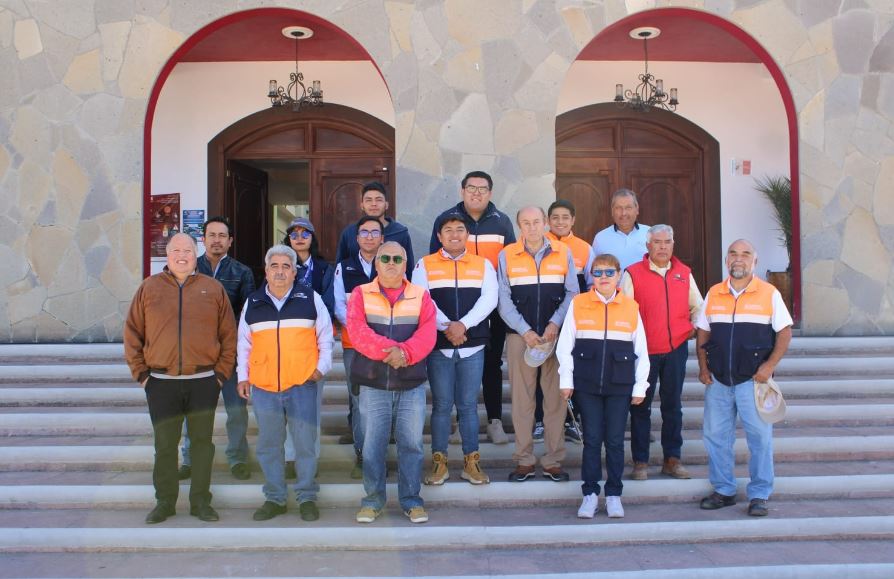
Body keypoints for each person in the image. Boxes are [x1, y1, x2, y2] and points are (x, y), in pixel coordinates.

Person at [124, 233, 236, 524]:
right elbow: (133, 334)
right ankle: (165, 502)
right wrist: (142, 375)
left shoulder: (213, 289)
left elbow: (228, 335)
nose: (182, 255)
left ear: (195, 253)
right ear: (167, 253)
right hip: (161, 382)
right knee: (164, 446)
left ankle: (200, 502)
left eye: (188, 250)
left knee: (202, 445)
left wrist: (220, 376)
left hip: (203, 382)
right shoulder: (149, 288)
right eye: (176, 250)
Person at [696, 239, 793, 517]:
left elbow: (785, 332)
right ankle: (724, 490)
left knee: (759, 439)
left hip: (753, 381)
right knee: (715, 436)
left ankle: (760, 494)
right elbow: (703, 331)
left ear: (755, 262)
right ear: (727, 261)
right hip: (718, 381)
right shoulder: (714, 293)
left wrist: (769, 366)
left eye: (745, 254)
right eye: (733, 254)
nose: (739, 258)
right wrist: (703, 367)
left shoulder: (769, 293)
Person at [236, 245, 333, 522]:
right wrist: (243, 376)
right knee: (269, 445)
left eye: (286, 266)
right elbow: (244, 344)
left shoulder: (310, 298)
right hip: (265, 386)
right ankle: (275, 498)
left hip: (302, 383)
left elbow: (325, 337)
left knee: (304, 443)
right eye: (274, 266)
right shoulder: (253, 303)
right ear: (266, 272)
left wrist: (320, 369)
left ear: (294, 272)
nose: (280, 271)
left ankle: (306, 497)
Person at [347, 242, 437, 524]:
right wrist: (392, 352)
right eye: (384, 257)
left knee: (411, 444)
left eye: (397, 258)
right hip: (374, 384)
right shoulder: (361, 294)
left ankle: (411, 500)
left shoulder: (420, 295)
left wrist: (406, 354)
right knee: (373, 445)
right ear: (376, 263)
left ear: (405, 263)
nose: (391, 262)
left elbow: (428, 334)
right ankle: (372, 501)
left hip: (410, 384)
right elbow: (357, 331)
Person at [557, 253, 649, 519]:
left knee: (616, 441)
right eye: (598, 273)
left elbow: (641, 350)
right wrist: (566, 381)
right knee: (592, 440)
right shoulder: (579, 303)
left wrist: (640, 387)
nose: (604, 278)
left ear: (619, 275)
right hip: (587, 385)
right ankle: (589, 494)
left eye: (609, 272)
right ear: (591, 277)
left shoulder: (631, 306)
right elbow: (566, 346)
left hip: (620, 386)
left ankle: (613, 495)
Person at [430, 171, 516, 445]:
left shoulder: (502, 222)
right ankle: (458, 422)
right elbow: (435, 259)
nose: (476, 193)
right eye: (471, 188)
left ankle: (494, 420)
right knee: (455, 361)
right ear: (462, 191)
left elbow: (508, 264)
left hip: (492, 304)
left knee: (492, 363)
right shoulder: (446, 219)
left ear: (490, 193)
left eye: (482, 189)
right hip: (454, 306)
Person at [412, 213, 498, 486]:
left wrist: (463, 325)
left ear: (467, 234)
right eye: (448, 230)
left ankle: (471, 462)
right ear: (439, 236)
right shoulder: (424, 265)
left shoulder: (483, 265)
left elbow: (489, 299)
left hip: (472, 346)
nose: (454, 235)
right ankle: (439, 463)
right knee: (441, 406)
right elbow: (421, 300)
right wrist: (448, 326)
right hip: (439, 346)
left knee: (469, 406)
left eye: (460, 229)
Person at [497, 206, 578, 482]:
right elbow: (503, 299)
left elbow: (572, 293)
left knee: (554, 400)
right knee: (522, 401)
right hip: (521, 338)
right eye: (525, 223)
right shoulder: (506, 255)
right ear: (519, 226)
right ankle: (524, 460)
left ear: (545, 223)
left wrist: (555, 324)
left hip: (555, 337)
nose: (531, 227)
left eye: (536, 222)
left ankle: (553, 460)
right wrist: (525, 331)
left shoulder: (562, 252)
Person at [620, 224, 704, 480]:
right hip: (644, 353)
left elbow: (698, 307)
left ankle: (672, 459)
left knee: (672, 407)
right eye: (657, 242)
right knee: (640, 407)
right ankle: (641, 463)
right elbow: (623, 312)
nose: (663, 246)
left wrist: (690, 329)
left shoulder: (684, 273)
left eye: (667, 242)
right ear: (648, 246)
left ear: (673, 244)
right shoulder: (632, 273)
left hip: (675, 350)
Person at [179, 217, 255, 482]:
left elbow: (247, 315)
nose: (217, 240)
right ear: (203, 238)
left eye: (222, 236)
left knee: (236, 410)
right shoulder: (188, 268)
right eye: (212, 235)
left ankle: (237, 458)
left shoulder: (242, 272)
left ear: (230, 241)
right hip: (196, 355)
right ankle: (190, 459)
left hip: (229, 355)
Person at [533, 199, 595, 444]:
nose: (560, 222)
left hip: (573, 320)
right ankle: (540, 421)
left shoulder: (584, 248)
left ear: (573, 220)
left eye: (565, 217)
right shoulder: (538, 243)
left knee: (571, 369)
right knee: (541, 371)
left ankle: (571, 420)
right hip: (543, 319)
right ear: (548, 221)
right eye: (555, 217)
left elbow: (590, 284)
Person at [282, 216, 335, 479]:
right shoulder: (280, 266)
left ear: (312, 238)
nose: (299, 237)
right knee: (289, 408)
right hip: (285, 346)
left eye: (305, 233)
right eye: (294, 234)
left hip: (313, 344)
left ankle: (310, 458)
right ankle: (290, 457)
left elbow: (328, 303)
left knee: (310, 407)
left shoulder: (325, 269)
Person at [332, 216, 384, 478]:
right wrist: (359, 331)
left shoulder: (389, 264)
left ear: (382, 238)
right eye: (364, 232)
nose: (369, 236)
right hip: (354, 344)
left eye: (375, 232)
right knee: (358, 399)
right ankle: (362, 455)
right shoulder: (344, 267)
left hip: (383, 344)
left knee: (381, 399)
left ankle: (379, 453)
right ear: (357, 238)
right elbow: (339, 304)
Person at [335, 181, 414, 266]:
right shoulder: (350, 232)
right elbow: (340, 266)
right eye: (369, 200)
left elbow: (408, 268)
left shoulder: (400, 233)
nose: (374, 204)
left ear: (386, 205)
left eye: (379, 200)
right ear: (362, 205)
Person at [591, 189, 650, 271]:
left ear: (637, 209)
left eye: (628, 207)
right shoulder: (600, 238)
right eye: (618, 208)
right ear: (612, 211)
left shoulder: (650, 233)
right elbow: (594, 271)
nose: (623, 213)